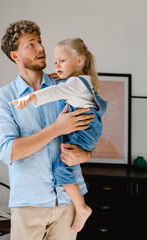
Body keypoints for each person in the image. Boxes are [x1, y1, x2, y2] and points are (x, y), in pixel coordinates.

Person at [0, 20, 94, 240]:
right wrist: (56, 129)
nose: (41, 48)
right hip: (29, 204)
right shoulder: (4, 98)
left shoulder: (65, 87)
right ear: (15, 56)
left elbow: (88, 128)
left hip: (68, 203)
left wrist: (85, 154)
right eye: (31, 44)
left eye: (39, 41)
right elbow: (8, 151)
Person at [9, 37, 107, 232]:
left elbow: (55, 92)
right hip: (86, 133)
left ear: (79, 61)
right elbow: (8, 152)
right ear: (15, 55)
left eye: (62, 61)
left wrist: (31, 97)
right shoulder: (79, 83)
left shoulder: (72, 85)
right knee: (63, 166)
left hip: (82, 136)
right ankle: (80, 206)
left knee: (61, 170)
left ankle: (81, 208)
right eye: (56, 62)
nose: (57, 65)